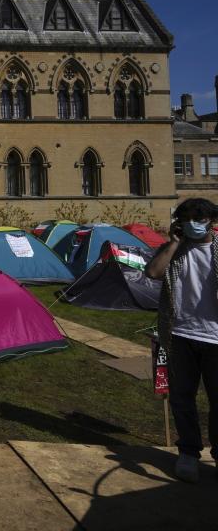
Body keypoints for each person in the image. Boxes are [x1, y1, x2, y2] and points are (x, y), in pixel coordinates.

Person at [146, 197, 218, 484]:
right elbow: (152, 272)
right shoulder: (175, 252)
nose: (194, 225)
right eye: (188, 219)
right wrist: (174, 242)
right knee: (182, 398)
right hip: (179, 335)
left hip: (214, 337)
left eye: (199, 220)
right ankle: (188, 452)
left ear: (212, 221)